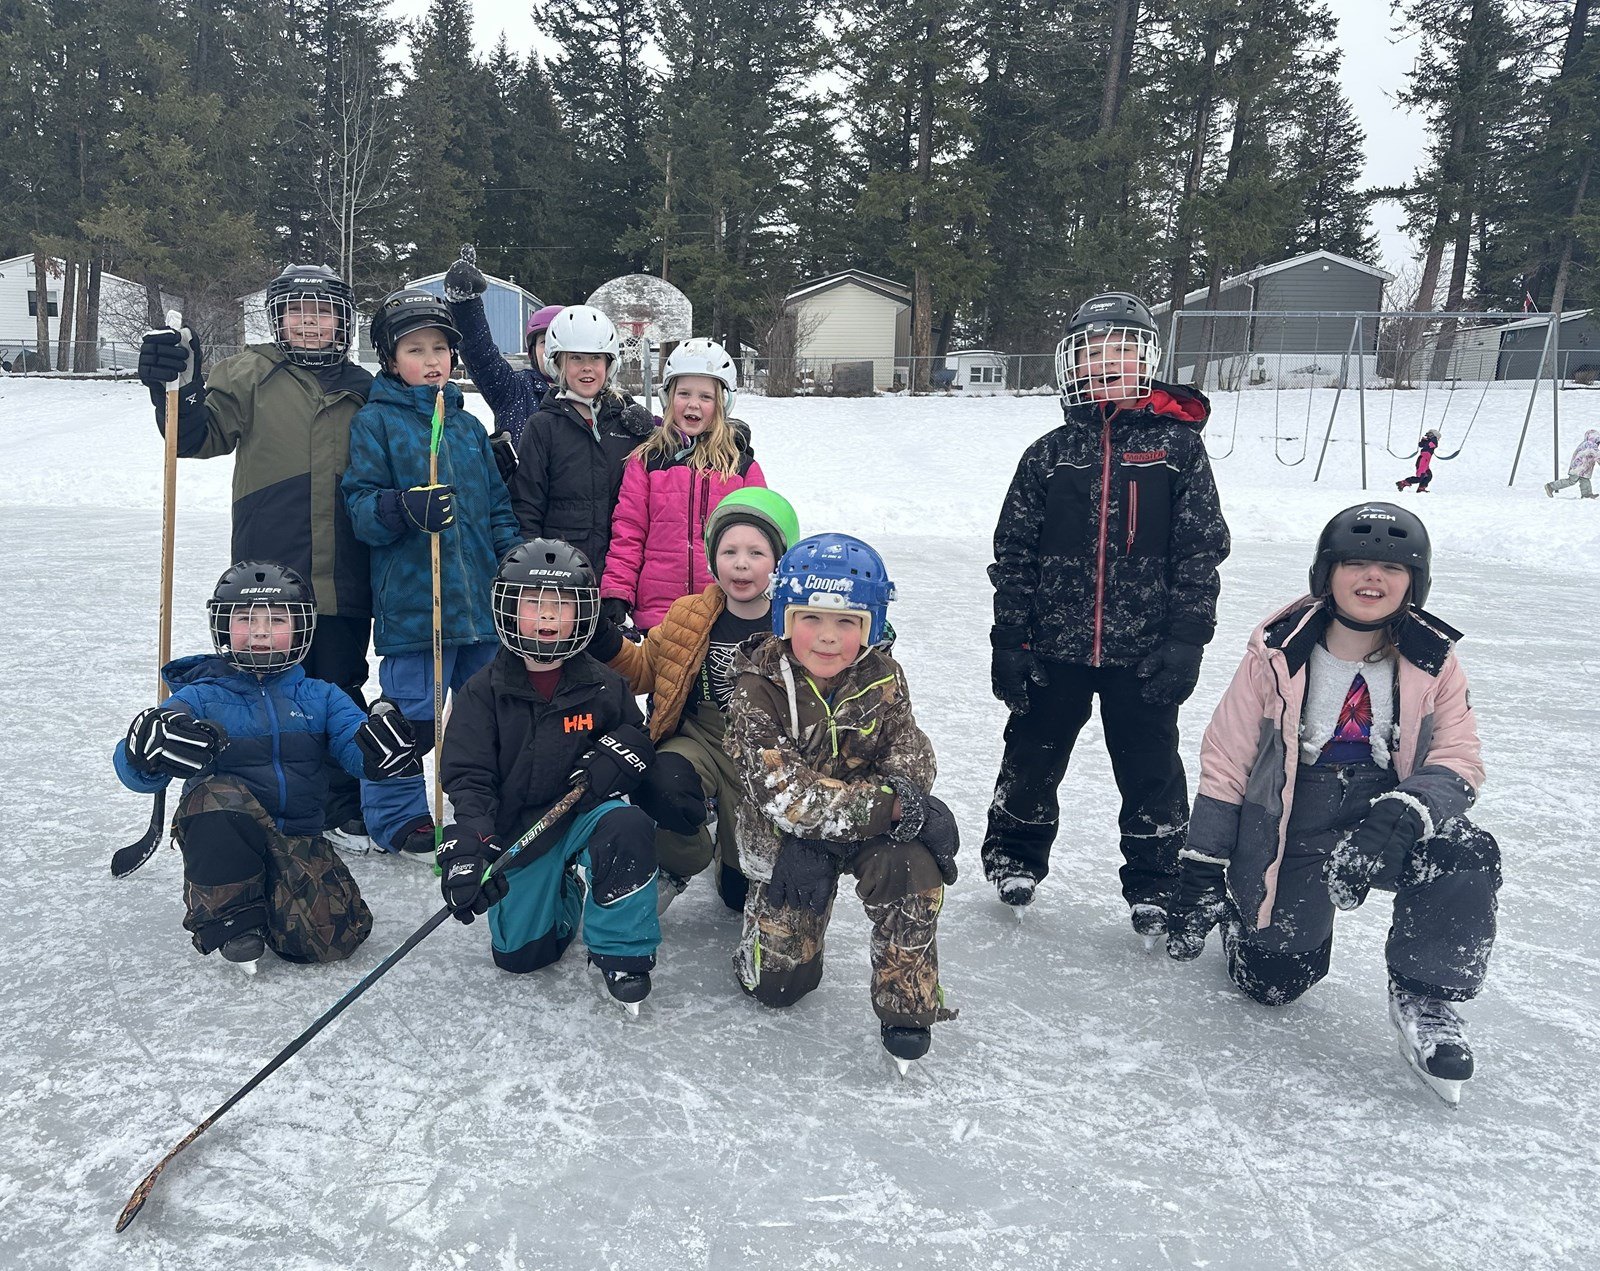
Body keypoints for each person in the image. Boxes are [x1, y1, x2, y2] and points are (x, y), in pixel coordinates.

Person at [1165, 503, 1500, 1105]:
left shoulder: (1433, 658)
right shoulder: (1278, 650)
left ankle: (1425, 995)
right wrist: (1203, 862)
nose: (1374, 579)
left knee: (1465, 851)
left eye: (1392, 569)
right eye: (1357, 563)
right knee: (1273, 985)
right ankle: (1245, 924)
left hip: (1386, 816)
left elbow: (1461, 757)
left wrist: (1406, 810)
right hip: (1291, 821)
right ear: (1327, 573)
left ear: (1413, 583)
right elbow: (1227, 755)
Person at [983, 292, 1230, 937]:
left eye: (1121, 350)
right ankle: (1014, 853)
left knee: (1150, 768)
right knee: (1032, 755)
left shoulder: (1176, 450)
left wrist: (1186, 641)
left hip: (1142, 651)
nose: (1107, 364)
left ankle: (1157, 877)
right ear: (1072, 362)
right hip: (1053, 645)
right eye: (1094, 351)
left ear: (1145, 360)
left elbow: (1200, 552)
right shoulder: (1050, 453)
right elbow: (1013, 552)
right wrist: (1010, 638)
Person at [136, 265, 375, 847]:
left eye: (323, 311)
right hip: (272, 566)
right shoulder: (251, 373)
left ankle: (342, 803)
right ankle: (265, 794)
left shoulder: (368, 386)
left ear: (344, 321)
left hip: (347, 568)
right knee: (269, 684)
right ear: (277, 318)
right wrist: (175, 389)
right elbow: (195, 437)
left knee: (339, 682)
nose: (310, 322)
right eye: (297, 310)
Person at [111, 562, 422, 970]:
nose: (260, 631)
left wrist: (379, 753)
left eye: (276, 619)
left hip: (298, 839)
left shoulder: (321, 696)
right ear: (222, 626)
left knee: (336, 939)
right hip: (227, 836)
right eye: (245, 619)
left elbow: (353, 745)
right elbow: (140, 773)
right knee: (215, 795)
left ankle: (273, 903)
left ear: (300, 628)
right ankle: (233, 919)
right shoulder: (199, 698)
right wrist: (142, 754)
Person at [725, 534, 959, 1071]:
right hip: (787, 841)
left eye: (847, 623)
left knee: (911, 862)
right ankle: (764, 946)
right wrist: (894, 808)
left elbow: (911, 752)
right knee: (777, 988)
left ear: (869, 626)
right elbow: (787, 795)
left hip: (868, 829)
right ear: (784, 617)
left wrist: (905, 797)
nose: (828, 638)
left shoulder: (882, 674)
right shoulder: (756, 686)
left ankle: (908, 1007)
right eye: (811, 619)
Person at [435, 539, 666, 1013]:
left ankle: (623, 953)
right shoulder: (481, 693)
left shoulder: (605, 683)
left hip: (583, 814)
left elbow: (636, 733)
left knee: (627, 825)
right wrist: (471, 848)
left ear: (580, 614)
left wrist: (616, 756)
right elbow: (469, 778)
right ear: (506, 609)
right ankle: (567, 889)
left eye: (558, 606)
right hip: (522, 832)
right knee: (520, 956)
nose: (544, 617)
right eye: (531, 604)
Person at [340, 290, 522, 856]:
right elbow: (361, 508)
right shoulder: (376, 422)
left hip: (479, 610)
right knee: (411, 721)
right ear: (392, 361)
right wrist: (402, 508)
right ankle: (399, 817)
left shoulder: (467, 428)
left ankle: (480, 808)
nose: (432, 359)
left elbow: (495, 507)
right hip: (417, 608)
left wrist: (511, 566)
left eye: (440, 348)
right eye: (416, 350)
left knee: (482, 720)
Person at [589, 487, 800, 915]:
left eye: (756, 553)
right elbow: (646, 668)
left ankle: (733, 860)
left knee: (739, 899)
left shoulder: (796, 623)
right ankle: (680, 861)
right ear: (712, 558)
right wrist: (607, 640)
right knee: (662, 782)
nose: (741, 564)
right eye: (729, 551)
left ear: (780, 561)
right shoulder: (690, 612)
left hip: (766, 756)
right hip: (700, 739)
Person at [599, 339, 766, 631]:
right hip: (658, 617)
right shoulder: (648, 461)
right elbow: (628, 532)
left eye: (705, 396)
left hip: (722, 613)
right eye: (684, 393)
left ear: (722, 403)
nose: (693, 404)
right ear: (668, 398)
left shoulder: (741, 468)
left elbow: (762, 542)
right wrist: (617, 592)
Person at [509, 305, 655, 581]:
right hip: (560, 572)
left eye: (596, 358)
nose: (587, 367)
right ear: (558, 363)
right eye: (576, 358)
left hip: (619, 571)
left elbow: (670, 460)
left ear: (609, 364)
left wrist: (660, 432)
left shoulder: (625, 421)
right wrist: (529, 568)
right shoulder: (542, 427)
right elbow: (526, 506)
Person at [440, 246, 563, 483]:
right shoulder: (514, 390)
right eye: (544, 342)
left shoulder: (593, 398)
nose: (552, 350)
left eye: (561, 342)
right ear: (532, 351)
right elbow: (481, 354)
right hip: (519, 512)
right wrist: (464, 306)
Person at [1545, 429, 1599, 498]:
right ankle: (1551, 486)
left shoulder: (1585, 443)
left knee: (1585, 479)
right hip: (1579, 467)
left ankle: (1587, 495)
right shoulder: (1590, 444)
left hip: (1581, 468)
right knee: (1571, 481)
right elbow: (1597, 454)